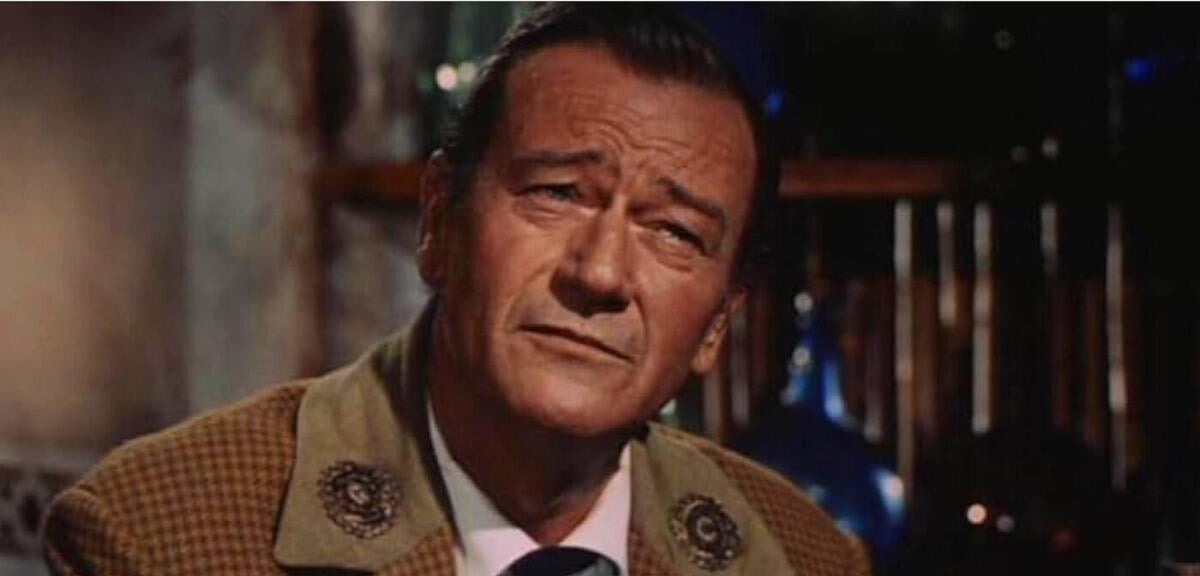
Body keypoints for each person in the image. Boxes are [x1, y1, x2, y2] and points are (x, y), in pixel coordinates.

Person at [43, 5, 871, 575]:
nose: (601, 273)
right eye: (558, 193)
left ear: (720, 322)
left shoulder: (806, 558)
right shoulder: (158, 536)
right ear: (440, 220)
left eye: (676, 234)